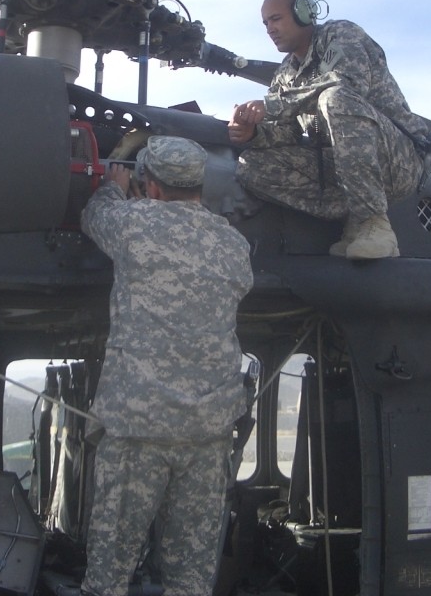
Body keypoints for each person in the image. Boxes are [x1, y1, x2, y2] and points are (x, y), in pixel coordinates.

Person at [79, 135, 254, 596]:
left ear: (150, 185)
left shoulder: (132, 224)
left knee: (108, 577)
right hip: (207, 434)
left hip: (139, 431)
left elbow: (94, 216)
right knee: (190, 581)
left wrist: (114, 187)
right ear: (201, 185)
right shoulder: (234, 245)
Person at [228, 0, 431, 259]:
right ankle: (352, 216)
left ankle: (374, 224)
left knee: (335, 98)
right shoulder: (285, 75)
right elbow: (285, 135)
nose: (270, 29)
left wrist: (273, 105)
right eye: (265, 23)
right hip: (344, 169)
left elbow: (348, 85)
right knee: (251, 166)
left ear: (303, 12)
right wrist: (253, 133)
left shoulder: (341, 34)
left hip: (398, 161)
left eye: (276, 19)